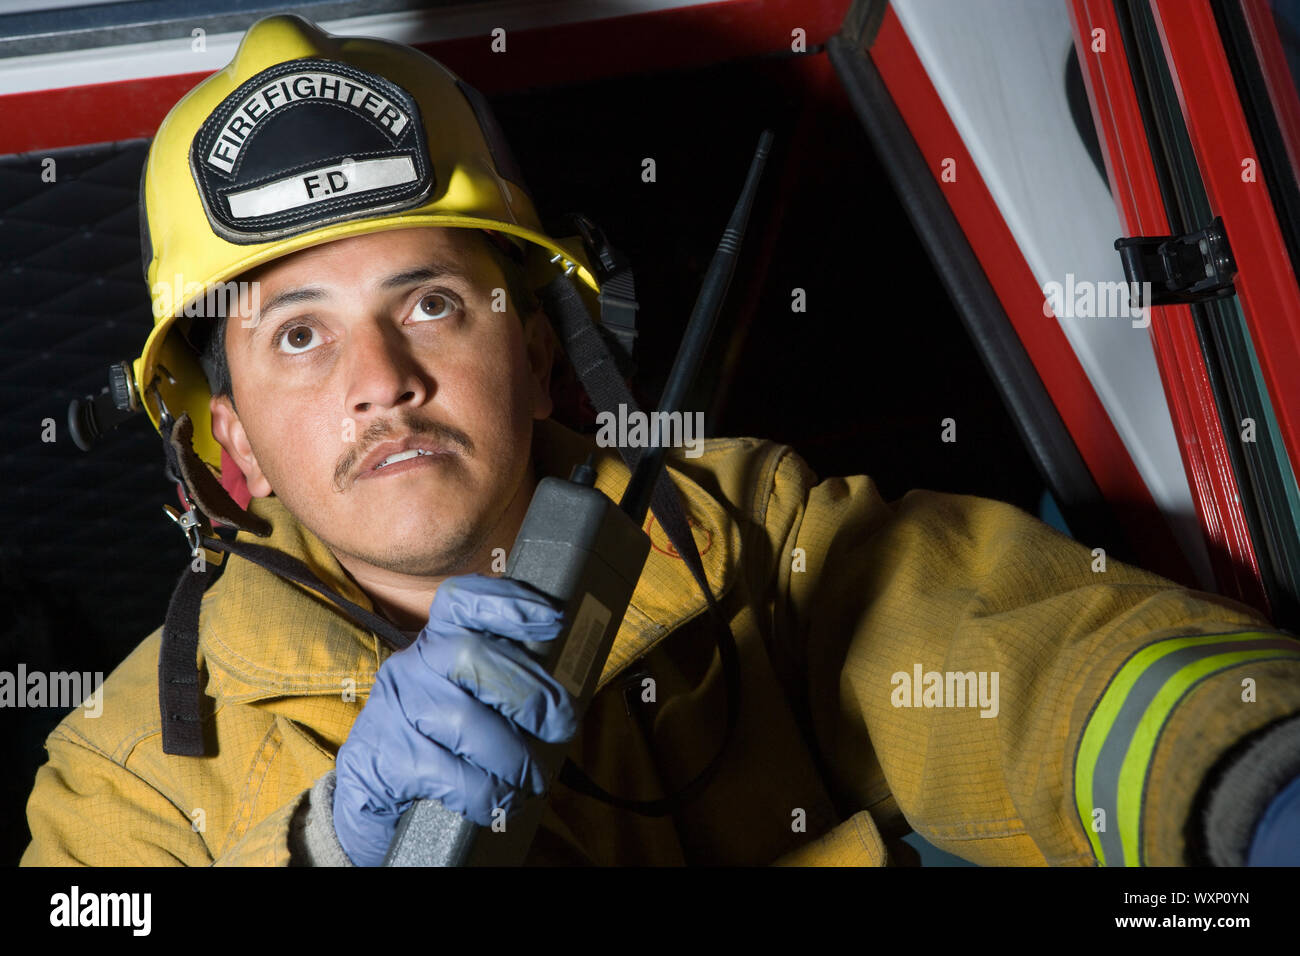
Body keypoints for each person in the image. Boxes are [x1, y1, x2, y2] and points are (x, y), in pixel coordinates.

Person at [21, 13, 1300, 867]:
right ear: (226, 429)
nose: (384, 381)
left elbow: (1027, 663)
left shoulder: (749, 532)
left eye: (429, 302)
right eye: (297, 334)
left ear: (531, 354)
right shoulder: (121, 775)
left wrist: (1250, 773)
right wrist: (327, 851)